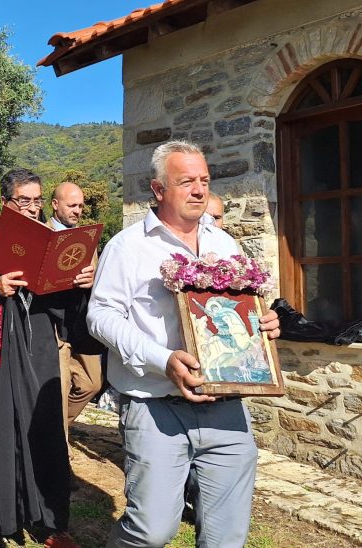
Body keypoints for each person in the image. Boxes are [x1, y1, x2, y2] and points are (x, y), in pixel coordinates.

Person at [86, 141, 281, 547]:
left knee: (226, 537)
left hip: (227, 409)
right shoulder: (128, 246)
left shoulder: (225, 245)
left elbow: (243, 310)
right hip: (155, 407)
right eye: (186, 181)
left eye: (204, 181)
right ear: (158, 190)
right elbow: (100, 317)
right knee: (151, 532)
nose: (198, 190)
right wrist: (163, 359)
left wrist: (263, 324)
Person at [0, 169, 90, 546]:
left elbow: (64, 307)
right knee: (0, 431)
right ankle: (3, 515)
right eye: (23, 200)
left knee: (45, 430)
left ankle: (50, 522)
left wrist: (80, 285)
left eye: (37, 200)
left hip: (40, 346)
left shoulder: (51, 241)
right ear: (6, 203)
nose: (31, 207)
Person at [49, 182, 104, 434]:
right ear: (55, 204)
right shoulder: (42, 234)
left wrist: (94, 281)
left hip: (80, 325)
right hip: (54, 328)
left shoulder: (87, 238)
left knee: (92, 383)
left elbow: (101, 281)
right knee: (59, 393)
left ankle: (51, 430)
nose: (77, 210)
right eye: (72, 205)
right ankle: (60, 447)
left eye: (80, 206)